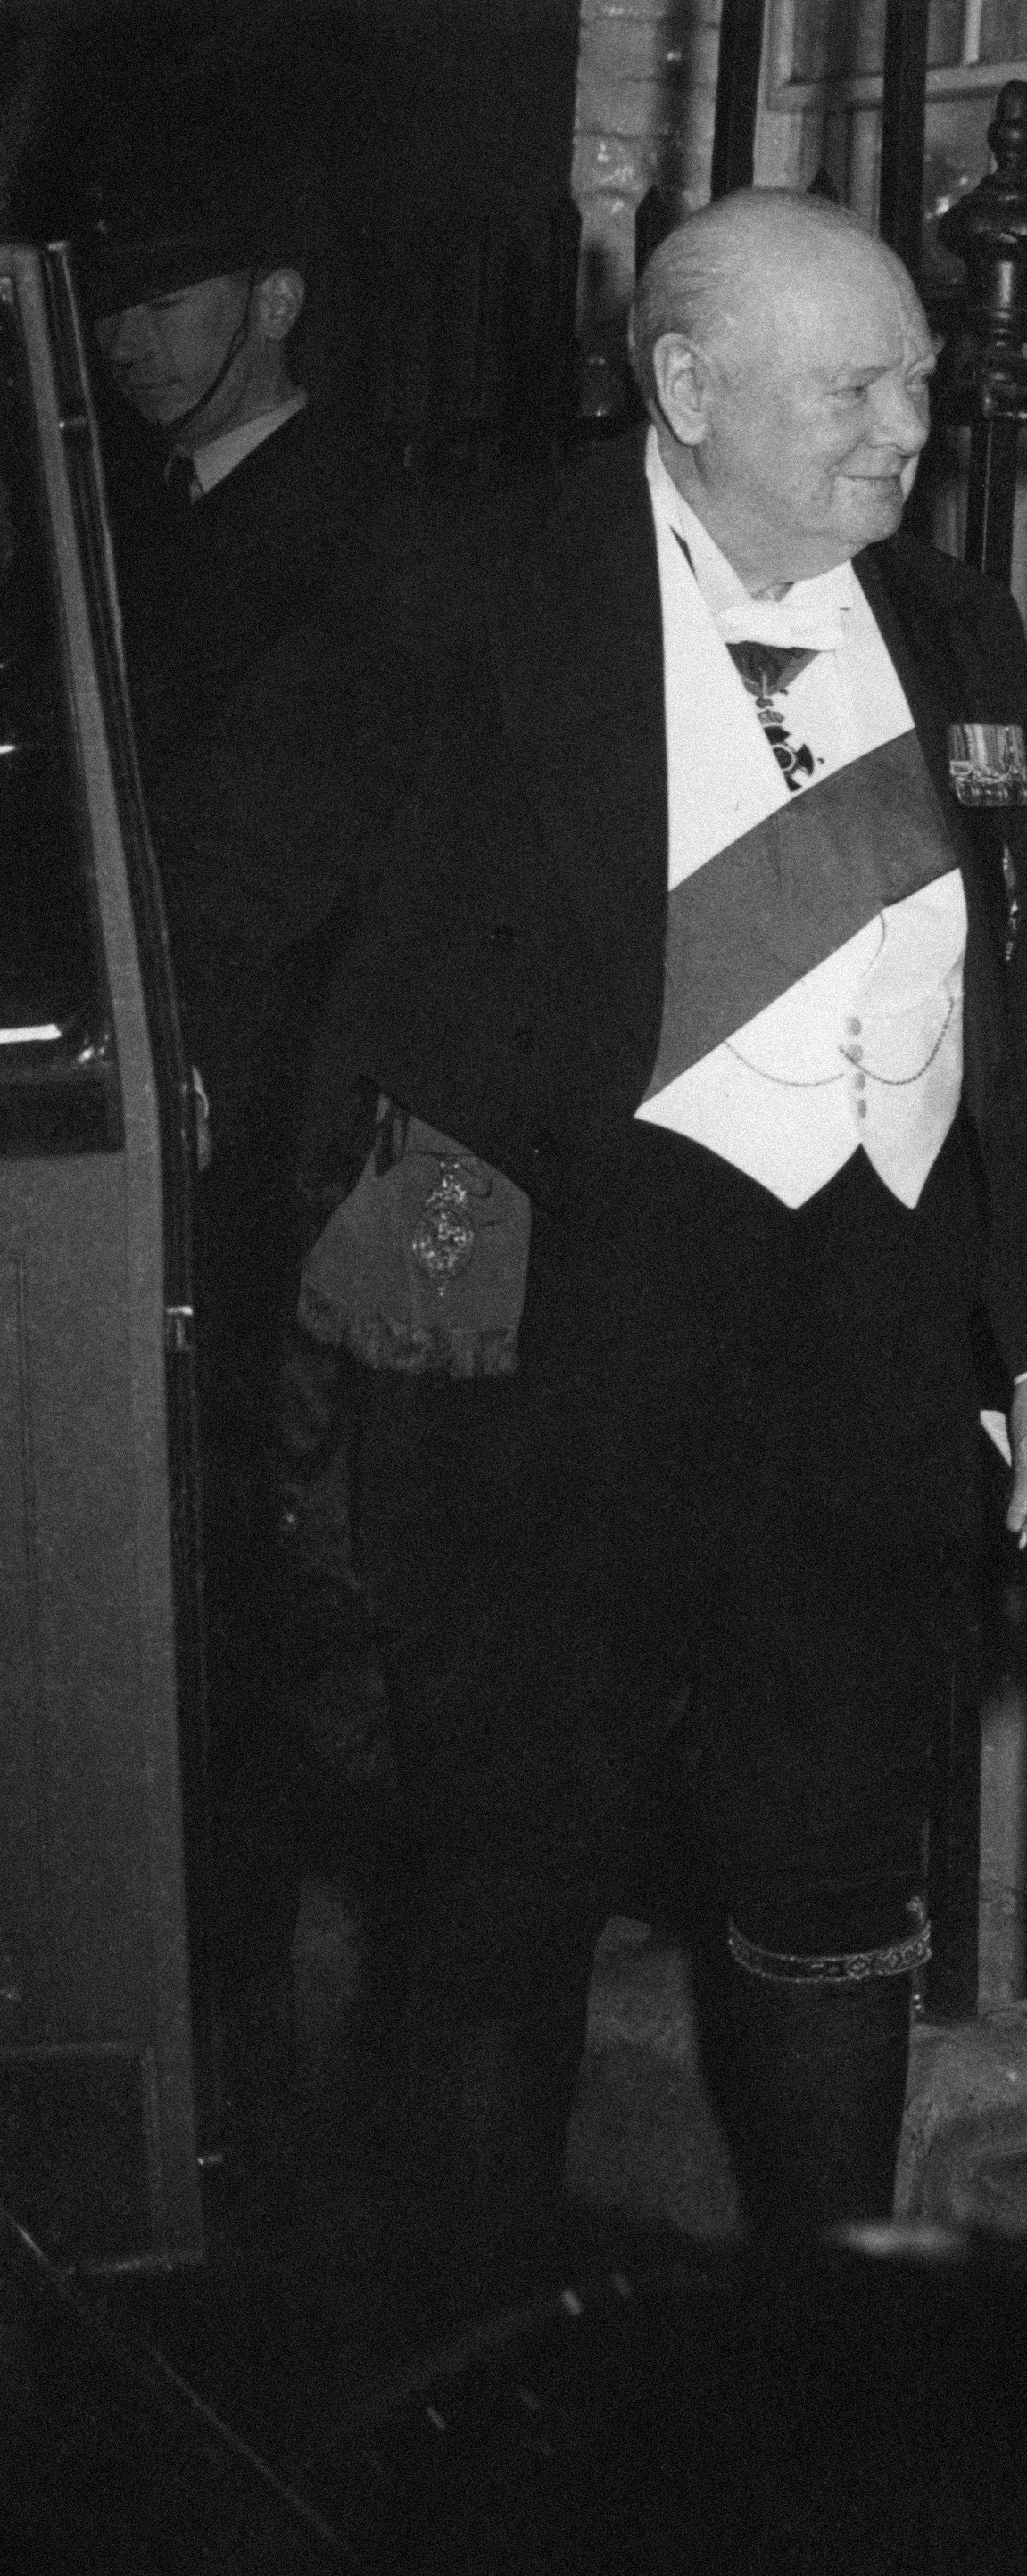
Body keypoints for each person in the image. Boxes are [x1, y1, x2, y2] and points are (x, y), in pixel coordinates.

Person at [162, 189, 1027, 2309]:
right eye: (850, 388)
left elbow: (1021, 1032)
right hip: (537, 1394)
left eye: (921, 385)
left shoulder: (962, 629)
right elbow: (211, 914)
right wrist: (320, 1240)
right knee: (496, 1922)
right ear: (684, 389)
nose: (907, 429)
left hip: (853, 1396)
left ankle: (833, 2355)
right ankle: (483, 2395)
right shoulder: (460, 589)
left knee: (832, 1904)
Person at [85, 141, 409, 2170]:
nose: (130, 332)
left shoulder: (349, 539)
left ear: (280, 295)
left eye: (176, 287)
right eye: (111, 295)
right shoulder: (134, 523)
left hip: (286, 1177)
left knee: (283, 1629)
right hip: (172, 1167)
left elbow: (234, 878)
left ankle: (276, 2100)